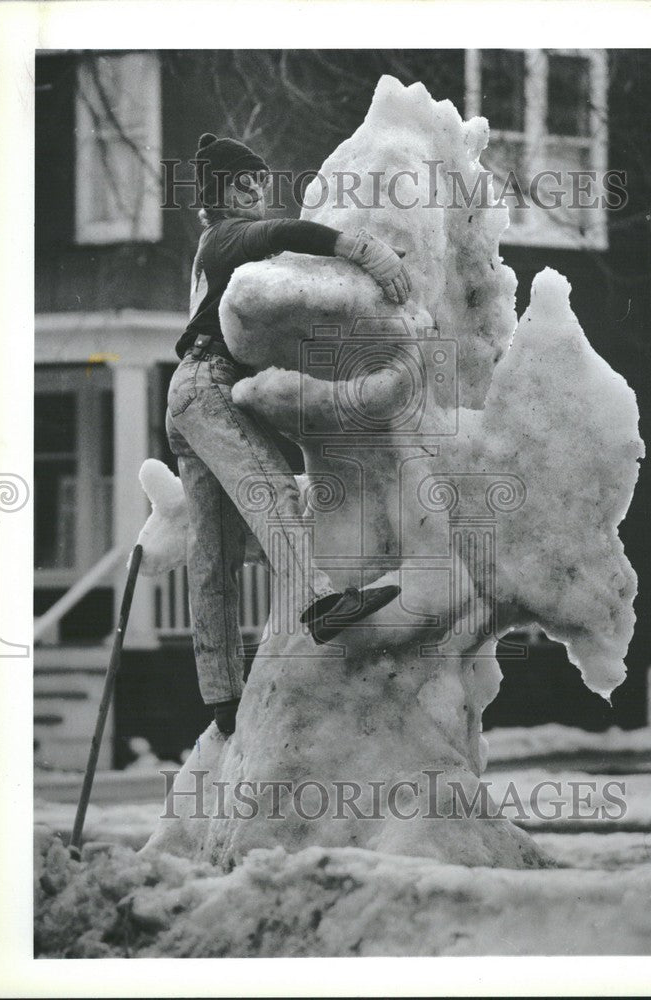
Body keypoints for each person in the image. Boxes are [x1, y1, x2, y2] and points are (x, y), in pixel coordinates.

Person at [165, 133, 411, 736]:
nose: (258, 193)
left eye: (261, 182)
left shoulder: (207, 252)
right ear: (221, 194)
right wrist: (359, 249)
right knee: (271, 493)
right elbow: (282, 234)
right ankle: (319, 601)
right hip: (210, 385)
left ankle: (221, 695)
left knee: (213, 555)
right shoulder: (228, 237)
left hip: (185, 393)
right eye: (245, 184)